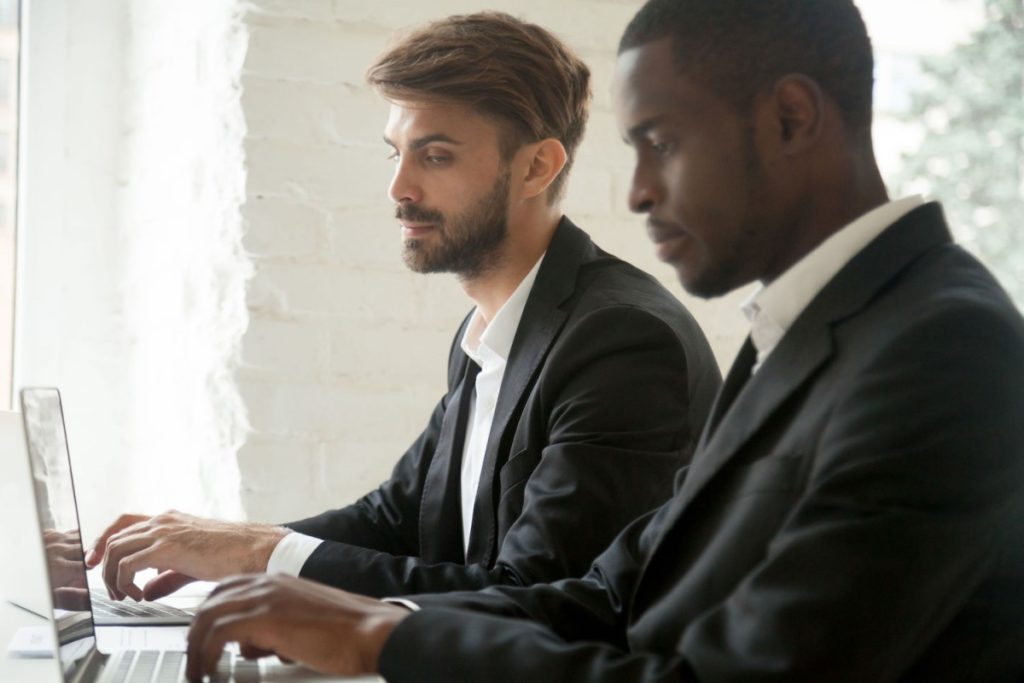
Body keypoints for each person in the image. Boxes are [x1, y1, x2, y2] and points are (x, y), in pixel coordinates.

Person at [180, 1, 1024, 681]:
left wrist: (380, 643)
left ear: (791, 116)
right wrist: (364, 618)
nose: (640, 192)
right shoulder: (803, 334)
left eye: (662, 143)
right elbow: (612, 591)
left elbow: (736, 671)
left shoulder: (946, 344)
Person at [86, 12, 721, 605]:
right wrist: (215, 547)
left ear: (536, 167)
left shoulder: (622, 341)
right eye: (397, 152)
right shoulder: (493, 333)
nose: (399, 188)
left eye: (435, 155)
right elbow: (398, 517)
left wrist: (262, 555)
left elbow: (531, 594)